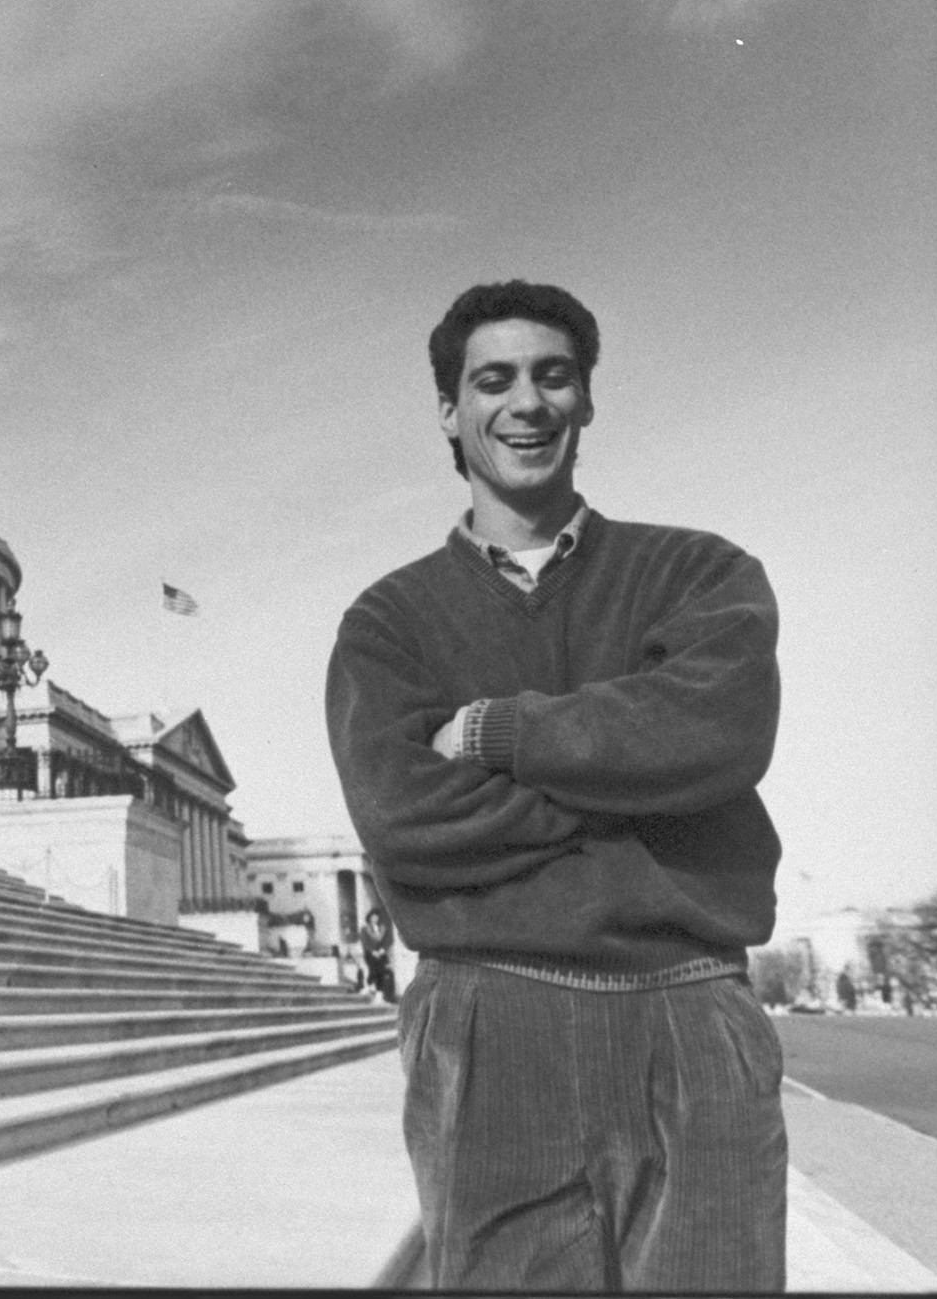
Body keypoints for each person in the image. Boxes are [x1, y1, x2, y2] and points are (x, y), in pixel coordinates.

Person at [325, 281, 786, 1292]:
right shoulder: (387, 620)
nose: (524, 402)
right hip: (491, 1018)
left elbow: (720, 731)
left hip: (689, 1004)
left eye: (552, 376)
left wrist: (496, 729)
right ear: (449, 410)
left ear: (583, 399)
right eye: (492, 379)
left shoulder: (698, 571)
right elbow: (404, 822)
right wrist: (651, 781)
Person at [359, 908, 397, 1003]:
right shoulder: (365, 929)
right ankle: (369, 986)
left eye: (376, 917)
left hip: (381, 954)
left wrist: (383, 950)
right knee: (373, 971)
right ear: (369, 917)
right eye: (373, 916)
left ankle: (379, 994)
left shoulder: (382, 928)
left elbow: (388, 940)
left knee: (381, 972)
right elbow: (364, 942)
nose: (375, 918)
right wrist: (372, 951)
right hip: (370, 954)